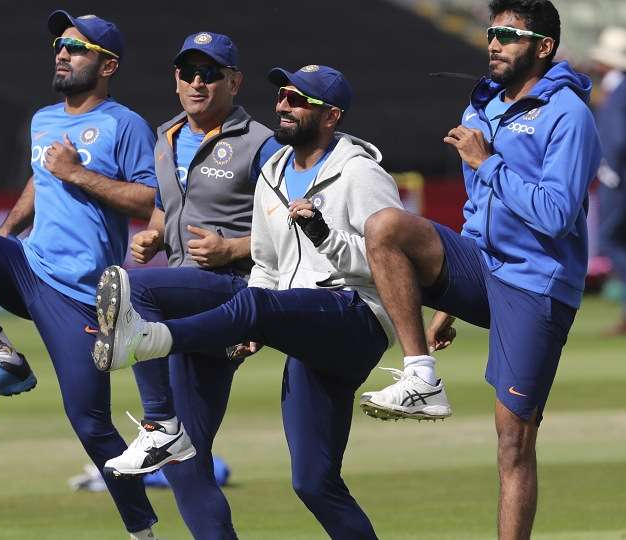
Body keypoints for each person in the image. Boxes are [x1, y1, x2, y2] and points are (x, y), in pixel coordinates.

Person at [91, 64, 437, 539]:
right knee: (314, 483)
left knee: (254, 306)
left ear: (331, 116)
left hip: (355, 315)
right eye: (282, 96)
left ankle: (152, 340)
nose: (283, 105)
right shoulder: (273, 173)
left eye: (298, 99)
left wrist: (322, 235)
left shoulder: (360, 172)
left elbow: (389, 258)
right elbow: (267, 264)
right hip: (305, 328)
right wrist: (257, 328)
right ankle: (161, 408)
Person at [359, 1, 602, 538]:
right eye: (492, 33)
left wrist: (486, 162)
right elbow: (478, 214)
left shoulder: (568, 114)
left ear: (543, 47)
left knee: (513, 441)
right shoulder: (483, 107)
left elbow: (557, 215)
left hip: (536, 283)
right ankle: (420, 374)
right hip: (482, 266)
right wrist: (448, 305)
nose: (494, 43)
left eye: (509, 35)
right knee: (386, 227)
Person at [0, 11, 162, 540]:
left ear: (108, 65)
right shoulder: (43, 119)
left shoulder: (125, 124)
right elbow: (41, 181)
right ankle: (3, 354)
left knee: (90, 424)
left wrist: (76, 172)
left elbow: (150, 200)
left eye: (77, 48)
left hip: (81, 295)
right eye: (60, 44)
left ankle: (142, 532)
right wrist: (6, 236)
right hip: (29, 266)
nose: (62, 52)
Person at [103, 31, 279, 539]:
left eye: (211, 73)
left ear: (234, 82)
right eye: (189, 72)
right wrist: (155, 235)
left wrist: (232, 249)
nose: (198, 82)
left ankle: (158, 423)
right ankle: (167, 435)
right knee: (186, 463)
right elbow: (167, 209)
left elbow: (289, 229)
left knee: (135, 290)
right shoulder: (166, 135)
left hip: (231, 291)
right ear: (176, 79)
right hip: (181, 298)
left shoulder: (262, 143)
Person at [590, 27, 626, 335]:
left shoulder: (617, 91)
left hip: (618, 181)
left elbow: (616, 138)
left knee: (610, 241)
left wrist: (608, 169)